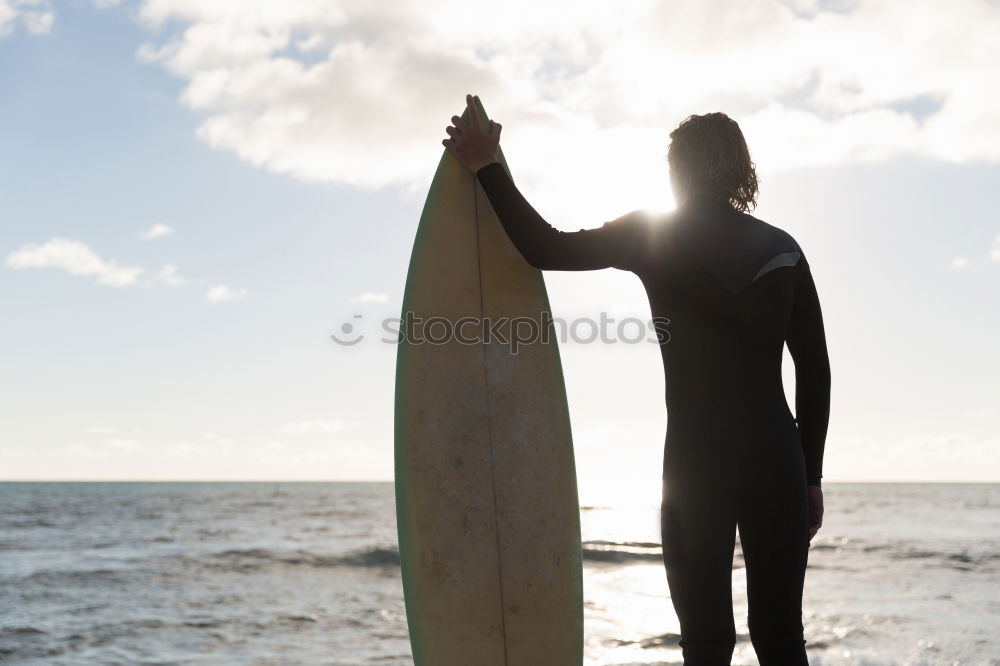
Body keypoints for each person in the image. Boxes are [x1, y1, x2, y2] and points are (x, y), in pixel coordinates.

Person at [443, 93, 831, 666]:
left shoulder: (652, 233)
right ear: (740, 166)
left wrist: (487, 166)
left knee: (705, 642)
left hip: (698, 460)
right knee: (780, 636)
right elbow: (814, 366)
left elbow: (543, 247)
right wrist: (811, 475)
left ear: (676, 169)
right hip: (777, 455)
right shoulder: (783, 248)